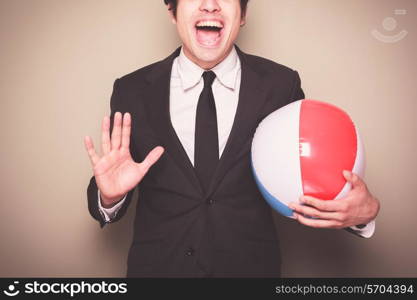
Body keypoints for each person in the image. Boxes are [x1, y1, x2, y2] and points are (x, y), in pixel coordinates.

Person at [84, 0, 379, 278]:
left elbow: (307, 181)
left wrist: (360, 214)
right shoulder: (132, 90)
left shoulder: (281, 86)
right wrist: (110, 196)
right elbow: (113, 176)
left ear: (243, 14)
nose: (210, 4)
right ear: (172, 12)